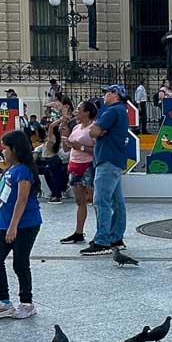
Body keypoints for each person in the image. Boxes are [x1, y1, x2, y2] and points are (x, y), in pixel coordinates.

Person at [0, 129, 43, 320]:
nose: (2, 152)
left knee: (20, 262)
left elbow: (22, 198)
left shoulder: (24, 170)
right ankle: (4, 302)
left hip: (24, 223)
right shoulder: (10, 169)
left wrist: (13, 225)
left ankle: (26, 302)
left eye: (5, 148)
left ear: (15, 149)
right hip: (4, 222)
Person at [82, 84, 129, 255]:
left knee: (101, 201)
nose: (104, 96)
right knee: (117, 202)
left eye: (106, 93)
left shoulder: (111, 111)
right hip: (116, 160)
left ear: (115, 94)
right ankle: (116, 237)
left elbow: (93, 131)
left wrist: (97, 131)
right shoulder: (122, 111)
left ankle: (102, 241)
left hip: (107, 160)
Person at [61, 100, 96, 245]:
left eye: (79, 109)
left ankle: (104, 231)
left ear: (87, 112)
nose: (76, 112)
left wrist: (80, 147)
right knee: (79, 200)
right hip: (75, 165)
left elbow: (97, 150)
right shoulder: (76, 127)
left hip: (88, 165)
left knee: (96, 201)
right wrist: (65, 136)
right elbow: (66, 149)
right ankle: (78, 232)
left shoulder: (94, 128)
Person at [38, 120, 69, 202]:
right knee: (50, 175)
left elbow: (51, 126)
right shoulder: (53, 138)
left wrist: (60, 119)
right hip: (51, 159)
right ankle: (55, 193)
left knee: (55, 178)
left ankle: (57, 195)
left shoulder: (52, 137)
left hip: (52, 159)